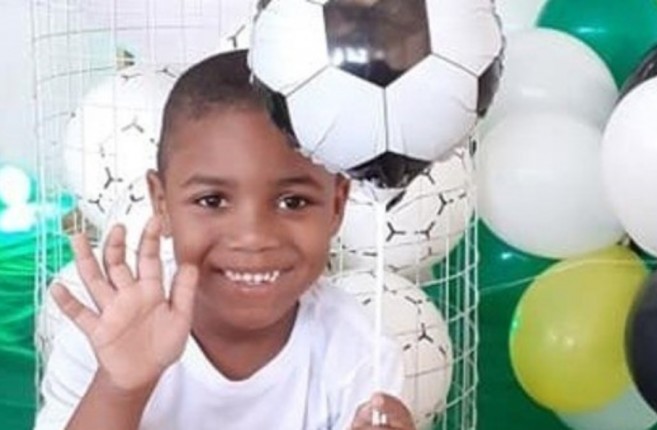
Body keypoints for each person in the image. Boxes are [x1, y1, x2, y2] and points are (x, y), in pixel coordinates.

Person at [35, 50, 415, 430]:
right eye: (212, 201)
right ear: (162, 203)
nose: (253, 238)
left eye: (292, 202)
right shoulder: (112, 330)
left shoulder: (358, 353)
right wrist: (119, 389)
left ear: (337, 205)